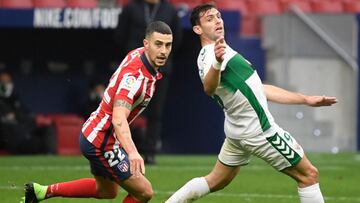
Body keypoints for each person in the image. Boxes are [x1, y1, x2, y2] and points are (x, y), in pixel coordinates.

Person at [165, 4, 337, 203]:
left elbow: (259, 88)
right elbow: (209, 88)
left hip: (237, 131)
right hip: (259, 131)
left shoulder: (220, 51)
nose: (218, 21)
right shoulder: (212, 54)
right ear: (197, 29)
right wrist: (218, 63)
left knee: (215, 181)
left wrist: (305, 99)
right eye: (210, 19)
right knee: (309, 175)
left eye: (218, 16)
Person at [21, 21, 173, 203]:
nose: (163, 51)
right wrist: (132, 152)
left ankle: (41, 192)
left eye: (168, 45)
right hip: (102, 140)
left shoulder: (140, 55)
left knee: (107, 191)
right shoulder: (134, 79)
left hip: (95, 133)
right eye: (158, 44)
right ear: (146, 44)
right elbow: (118, 119)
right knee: (144, 192)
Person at [115, 0, 182, 164]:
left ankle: (150, 152)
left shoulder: (169, 10)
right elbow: (119, 36)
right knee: (125, 111)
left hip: (161, 70)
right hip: (134, 69)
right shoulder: (131, 7)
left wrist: (160, 58)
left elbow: (177, 39)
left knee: (156, 113)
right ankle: (121, 150)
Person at [0, 71, 55, 154]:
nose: (6, 85)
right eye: (3, 82)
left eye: (8, 82)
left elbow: (26, 114)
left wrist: (36, 119)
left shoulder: (15, 100)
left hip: (25, 130)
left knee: (47, 128)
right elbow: (9, 119)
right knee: (35, 143)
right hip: (11, 137)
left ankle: (50, 156)